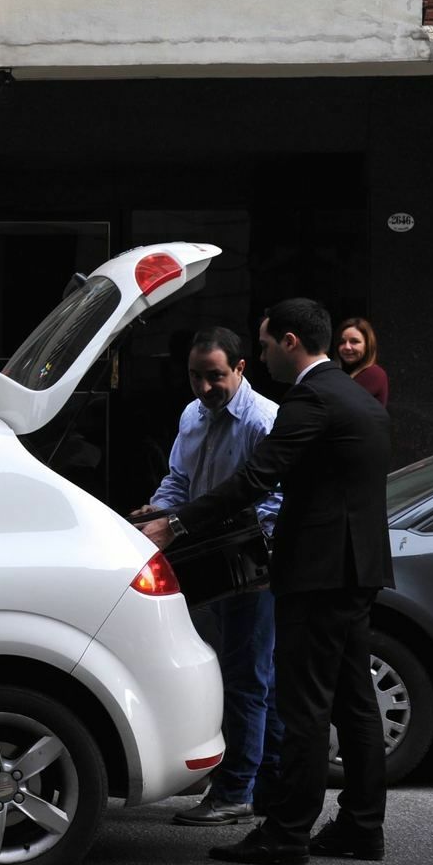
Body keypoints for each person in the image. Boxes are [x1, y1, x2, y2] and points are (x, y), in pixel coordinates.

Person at [141, 298, 393, 865]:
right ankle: (361, 826)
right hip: (358, 570)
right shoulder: (355, 396)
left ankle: (285, 833)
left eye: (263, 343)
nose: (260, 355)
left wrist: (177, 522)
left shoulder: (310, 399)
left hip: (319, 573)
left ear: (288, 341)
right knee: (354, 704)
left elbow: (258, 476)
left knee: (301, 705)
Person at [137, 327, 282, 827]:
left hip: (250, 569)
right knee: (232, 673)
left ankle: (238, 789)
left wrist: (195, 525)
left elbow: (277, 500)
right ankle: (259, 784)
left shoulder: (264, 421)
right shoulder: (192, 413)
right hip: (205, 563)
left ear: (241, 369)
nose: (204, 387)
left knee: (248, 679)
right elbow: (180, 478)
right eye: (196, 376)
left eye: (215, 376)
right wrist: (158, 510)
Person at [337, 317, 390, 407]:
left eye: (354, 341)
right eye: (342, 342)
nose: (347, 347)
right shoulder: (339, 372)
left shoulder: (374, 373)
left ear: (368, 345)